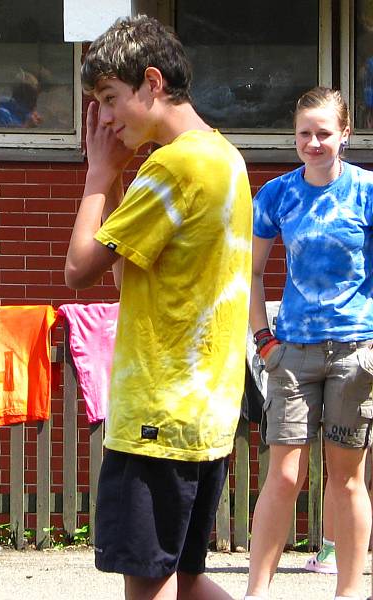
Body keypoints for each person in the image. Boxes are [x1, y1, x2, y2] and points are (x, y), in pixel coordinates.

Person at [64, 15, 252, 600]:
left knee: (148, 586)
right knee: (187, 580)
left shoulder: (170, 166)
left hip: (156, 417)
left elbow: (79, 271)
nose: (105, 117)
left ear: (151, 82)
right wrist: (119, 175)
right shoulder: (223, 157)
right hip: (206, 416)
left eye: (109, 98)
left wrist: (98, 176)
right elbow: (127, 272)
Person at [244, 87, 373, 600]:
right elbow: (250, 272)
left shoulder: (367, 191)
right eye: (304, 133)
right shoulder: (276, 194)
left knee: (347, 479)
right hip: (292, 353)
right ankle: (257, 591)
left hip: (355, 351)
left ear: (344, 134)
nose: (313, 143)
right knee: (283, 474)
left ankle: (349, 592)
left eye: (324, 133)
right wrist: (263, 340)